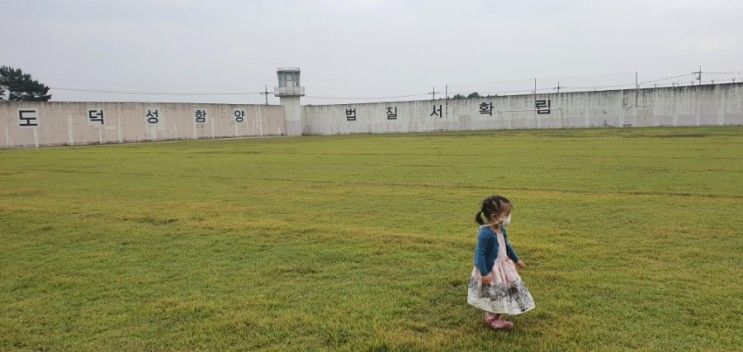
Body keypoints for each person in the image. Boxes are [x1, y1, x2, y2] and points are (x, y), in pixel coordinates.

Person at [467, 195, 535, 330]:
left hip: (504, 267)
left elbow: (506, 246)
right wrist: (485, 273)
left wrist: (517, 259)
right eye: (507, 214)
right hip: (492, 270)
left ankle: (495, 315)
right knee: (496, 293)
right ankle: (492, 318)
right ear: (494, 215)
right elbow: (480, 255)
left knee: (504, 291)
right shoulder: (485, 234)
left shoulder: (501, 230)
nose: (509, 217)